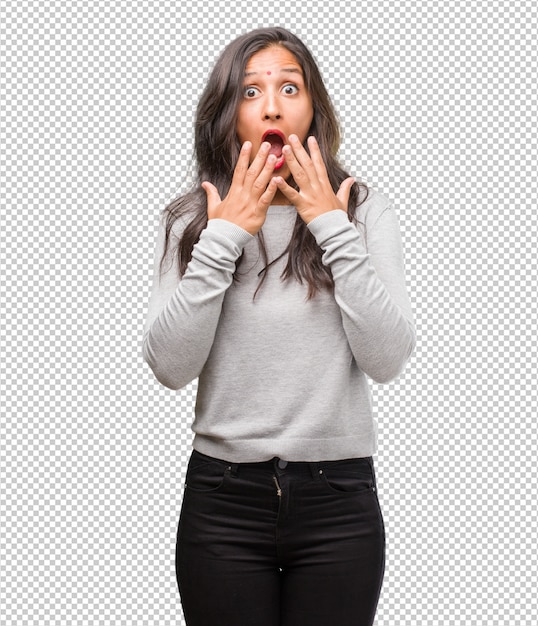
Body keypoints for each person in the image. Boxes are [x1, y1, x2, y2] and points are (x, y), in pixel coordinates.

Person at [143, 26, 415, 626]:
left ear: (312, 105)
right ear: (227, 113)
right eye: (250, 91)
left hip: (339, 502)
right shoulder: (191, 219)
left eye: (289, 87)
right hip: (222, 503)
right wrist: (225, 235)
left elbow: (389, 358)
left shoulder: (362, 209)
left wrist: (331, 226)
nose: (271, 105)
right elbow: (169, 366)